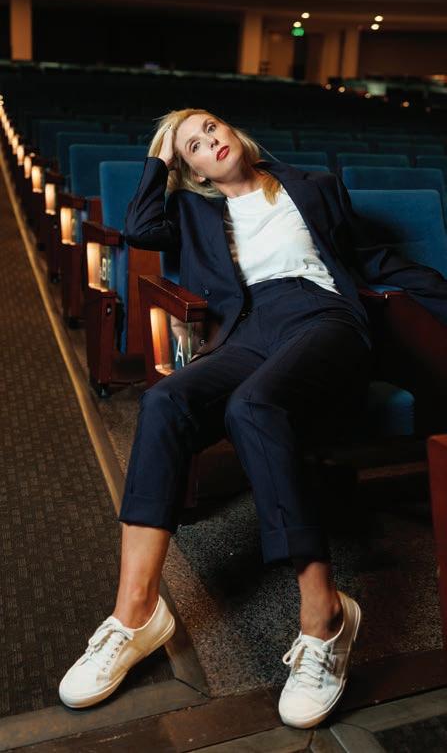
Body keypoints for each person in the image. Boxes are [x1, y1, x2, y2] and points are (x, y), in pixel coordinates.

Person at [59, 108, 447, 726]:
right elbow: (139, 228)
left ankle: (325, 617)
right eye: (193, 145)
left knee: (254, 405)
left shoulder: (314, 185)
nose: (209, 141)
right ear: (191, 170)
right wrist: (159, 159)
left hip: (324, 317)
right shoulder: (192, 211)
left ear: (233, 132)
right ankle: (136, 614)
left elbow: (363, 257)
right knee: (164, 402)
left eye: (211, 128)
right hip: (248, 329)